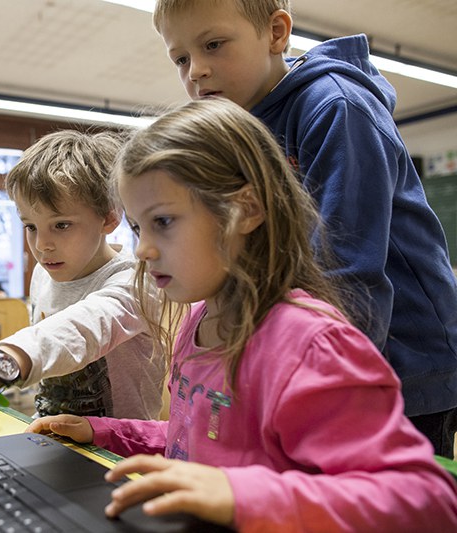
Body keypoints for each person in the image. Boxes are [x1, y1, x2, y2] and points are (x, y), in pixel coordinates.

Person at [27, 98, 457, 531]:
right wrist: (104, 433)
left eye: (164, 221)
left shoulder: (309, 345)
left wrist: (238, 494)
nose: (142, 250)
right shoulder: (199, 321)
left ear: (246, 210)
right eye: (139, 228)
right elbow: (193, 446)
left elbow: (425, 498)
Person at [151, 0, 457, 458]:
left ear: (276, 33)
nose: (196, 71)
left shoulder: (335, 107)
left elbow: (345, 269)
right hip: (320, 347)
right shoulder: (244, 126)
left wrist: (311, 384)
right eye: (181, 58)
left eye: (213, 45)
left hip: (404, 362)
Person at [0, 129, 166, 451]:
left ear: (109, 218)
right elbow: (48, 357)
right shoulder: (43, 274)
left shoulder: (136, 281)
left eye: (61, 225)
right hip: (49, 438)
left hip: (118, 454)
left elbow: (79, 331)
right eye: (30, 227)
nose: (42, 245)